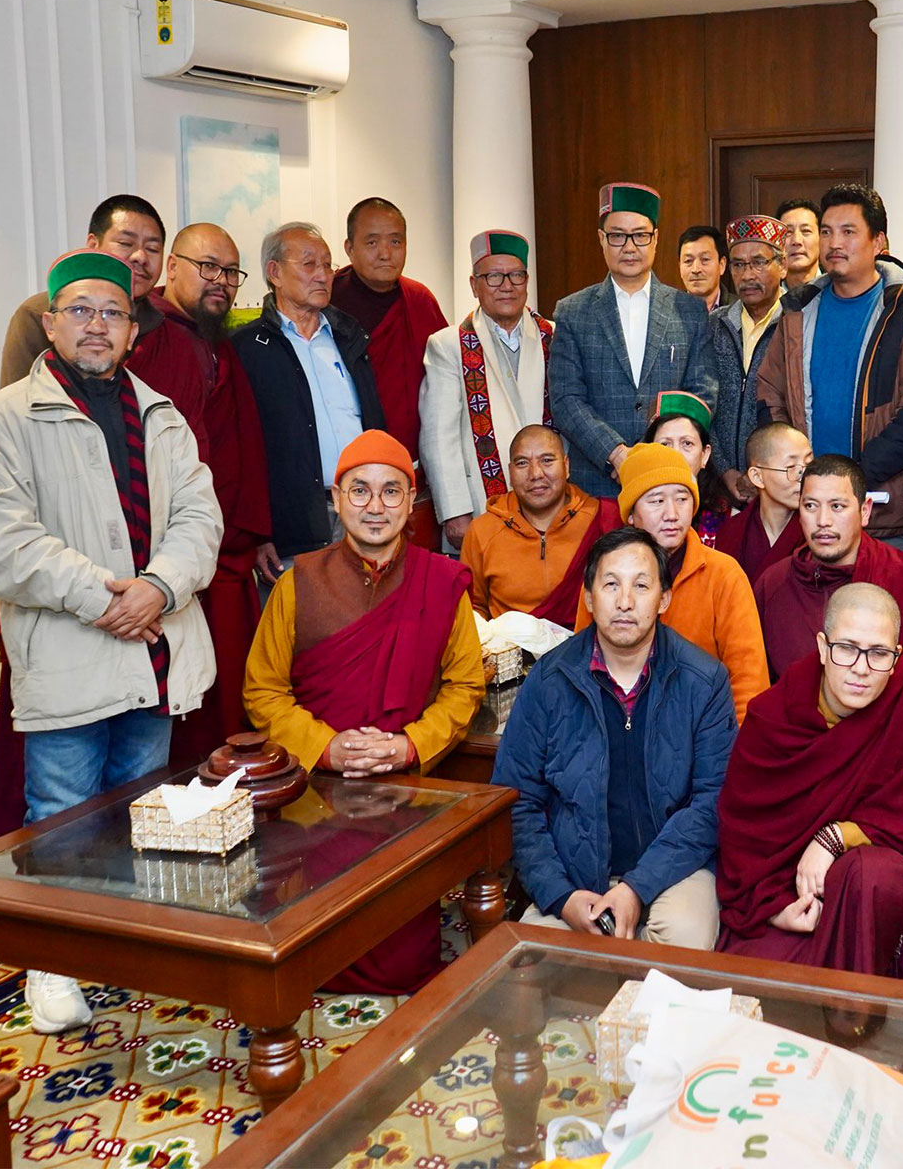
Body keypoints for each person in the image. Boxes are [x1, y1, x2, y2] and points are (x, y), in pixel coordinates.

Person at [0, 250, 220, 1033]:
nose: (97, 325)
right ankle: (53, 967)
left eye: (112, 313)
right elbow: (5, 543)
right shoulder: (6, 417)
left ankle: (125, 951)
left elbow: (200, 519)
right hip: (69, 658)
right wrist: (107, 599)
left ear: (131, 331)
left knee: (138, 814)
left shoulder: (162, 415)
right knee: (62, 817)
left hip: (155, 653)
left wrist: (159, 587)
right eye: (81, 310)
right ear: (51, 323)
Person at [244, 430, 484, 995]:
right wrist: (325, 747)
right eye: (359, 491)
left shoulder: (441, 581)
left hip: (405, 794)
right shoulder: (298, 582)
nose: (375, 506)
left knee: (402, 963)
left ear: (411, 498)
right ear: (336, 498)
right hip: (314, 796)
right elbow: (263, 690)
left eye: (391, 491)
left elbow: (465, 685)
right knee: (305, 951)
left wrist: (409, 745)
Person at [496, 527, 736, 950]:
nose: (625, 602)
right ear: (589, 598)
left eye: (641, 586)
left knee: (684, 934)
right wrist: (562, 897)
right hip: (576, 875)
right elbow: (516, 801)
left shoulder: (704, 681)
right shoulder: (549, 681)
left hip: (674, 870)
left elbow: (712, 802)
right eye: (611, 585)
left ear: (664, 599)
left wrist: (636, 889)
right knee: (534, 961)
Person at [717, 583, 903, 974]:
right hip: (782, 892)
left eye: (878, 653)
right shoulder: (775, 717)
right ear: (821, 646)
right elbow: (742, 831)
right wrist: (775, 909)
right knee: (756, 980)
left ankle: (855, 1000)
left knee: (877, 874)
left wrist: (836, 837)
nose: (861, 668)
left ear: (896, 657)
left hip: (862, 897)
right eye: (846, 648)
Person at [129, 223, 272, 754]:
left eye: (231, 272)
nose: (222, 281)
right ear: (172, 267)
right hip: (169, 559)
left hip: (225, 550)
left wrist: (255, 531)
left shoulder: (215, 341)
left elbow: (242, 440)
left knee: (230, 698)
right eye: (208, 266)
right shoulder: (149, 338)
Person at [756, 183, 903, 540]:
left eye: (848, 232)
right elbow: (769, 396)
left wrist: (848, 482)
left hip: (880, 511)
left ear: (878, 242)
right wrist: (798, 473)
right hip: (806, 510)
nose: (834, 243)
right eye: (827, 232)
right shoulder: (798, 311)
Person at [575, 441, 767, 725]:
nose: (672, 514)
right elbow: (580, 667)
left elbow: (749, 682)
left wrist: (733, 745)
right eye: (656, 501)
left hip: (703, 732)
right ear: (631, 515)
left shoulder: (724, 575)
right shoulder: (606, 575)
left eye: (682, 499)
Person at [548, 181, 718, 500]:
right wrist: (616, 454)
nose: (629, 247)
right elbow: (565, 398)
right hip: (596, 484)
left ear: (656, 238)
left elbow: (703, 392)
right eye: (617, 236)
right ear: (602, 239)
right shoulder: (573, 312)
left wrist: (661, 451)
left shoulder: (689, 311)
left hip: (669, 480)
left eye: (640, 235)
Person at [234, 222, 386, 575]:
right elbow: (243, 449)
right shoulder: (248, 348)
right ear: (274, 272)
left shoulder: (349, 337)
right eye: (309, 264)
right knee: (302, 608)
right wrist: (258, 533)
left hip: (364, 506)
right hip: (294, 522)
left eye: (328, 265)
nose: (323, 275)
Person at [420, 230, 554, 552]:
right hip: (481, 506)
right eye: (493, 276)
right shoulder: (449, 345)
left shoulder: (555, 336)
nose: (506, 286)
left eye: (516, 275)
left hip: (552, 506)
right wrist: (454, 512)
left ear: (526, 280)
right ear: (474, 284)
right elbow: (439, 436)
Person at [754, 455, 903, 679]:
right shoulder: (773, 583)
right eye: (810, 506)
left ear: (865, 511)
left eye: (837, 506)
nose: (823, 520)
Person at [460, 424, 621, 625]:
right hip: (513, 644)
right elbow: (471, 610)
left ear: (566, 466)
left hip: (589, 642)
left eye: (547, 460)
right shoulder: (483, 530)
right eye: (522, 463)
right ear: (510, 473)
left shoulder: (603, 518)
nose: (535, 474)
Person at [0, 195, 167, 387]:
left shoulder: (166, 327)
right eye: (125, 243)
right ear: (93, 245)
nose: (141, 257)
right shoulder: (37, 313)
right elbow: (18, 400)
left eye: (152, 249)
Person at [330, 198, 448, 460]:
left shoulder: (420, 300)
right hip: (345, 458)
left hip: (414, 459)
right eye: (372, 242)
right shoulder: (328, 302)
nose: (385, 253)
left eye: (395, 242)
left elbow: (447, 383)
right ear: (349, 248)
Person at [711, 214, 788, 498]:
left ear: (783, 266)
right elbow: (703, 405)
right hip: (719, 486)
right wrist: (724, 470)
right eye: (738, 265)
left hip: (780, 485)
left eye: (758, 262)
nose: (747, 275)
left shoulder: (797, 325)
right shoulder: (713, 326)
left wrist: (767, 474)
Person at [714, 421, 811, 586]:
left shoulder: (818, 529)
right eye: (791, 467)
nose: (803, 477)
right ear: (757, 477)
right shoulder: (731, 533)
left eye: (809, 465)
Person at [643, 391, 732, 547]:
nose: (676, 454)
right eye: (665, 444)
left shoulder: (729, 520)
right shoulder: (637, 509)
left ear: (705, 455)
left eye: (687, 443)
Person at [676, 224, 733, 313]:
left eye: (705, 259)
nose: (696, 269)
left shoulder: (740, 311)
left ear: (722, 265)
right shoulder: (666, 311)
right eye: (688, 261)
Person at [774, 197, 821, 290]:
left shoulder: (839, 290)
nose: (796, 241)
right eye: (788, 232)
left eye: (806, 231)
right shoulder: (768, 296)